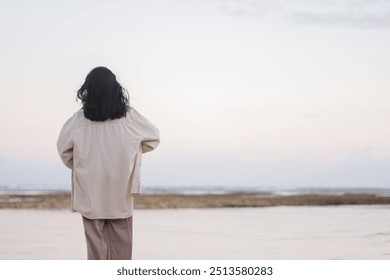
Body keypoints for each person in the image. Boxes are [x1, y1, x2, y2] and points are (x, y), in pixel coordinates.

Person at [57, 66, 160, 260]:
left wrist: (83, 167)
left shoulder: (78, 119)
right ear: (115, 88)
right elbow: (153, 139)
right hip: (120, 190)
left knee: (96, 255)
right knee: (122, 251)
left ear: (88, 90)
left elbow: (64, 151)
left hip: (90, 189)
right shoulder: (130, 117)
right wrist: (131, 155)